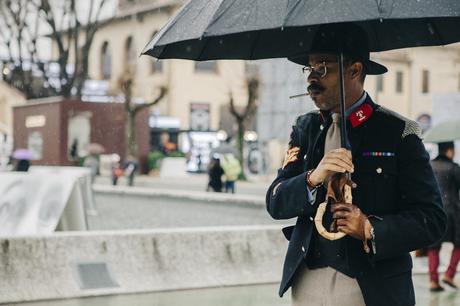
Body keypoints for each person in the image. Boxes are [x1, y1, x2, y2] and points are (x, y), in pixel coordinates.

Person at [266, 23, 446, 306]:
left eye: (322, 67)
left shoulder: (399, 132)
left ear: (354, 71)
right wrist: (312, 178)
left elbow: (432, 220)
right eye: (309, 68)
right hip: (307, 283)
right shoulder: (305, 128)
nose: (311, 78)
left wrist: (369, 228)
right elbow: (275, 203)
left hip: (373, 288)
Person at [427, 141, 460, 291]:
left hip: (434, 211)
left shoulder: (428, 166)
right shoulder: (454, 168)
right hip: (453, 212)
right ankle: (449, 274)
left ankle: (433, 281)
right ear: (449, 150)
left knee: (434, 247)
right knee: (459, 245)